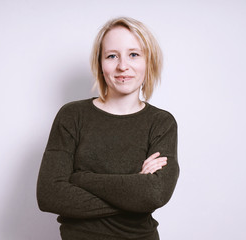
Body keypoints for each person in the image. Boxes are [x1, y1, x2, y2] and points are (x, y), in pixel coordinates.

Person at [37, 16, 179, 240]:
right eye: (112, 56)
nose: (123, 66)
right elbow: (49, 194)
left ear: (148, 61)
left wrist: (80, 178)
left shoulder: (161, 123)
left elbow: (154, 193)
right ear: (100, 63)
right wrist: (133, 192)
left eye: (134, 54)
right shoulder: (72, 116)